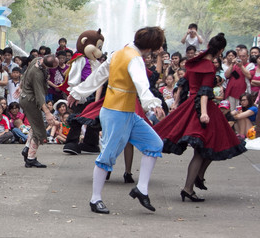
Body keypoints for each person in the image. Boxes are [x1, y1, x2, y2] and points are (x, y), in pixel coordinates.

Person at [68, 26, 167, 214]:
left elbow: (99, 75)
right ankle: (95, 199)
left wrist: (78, 91)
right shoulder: (134, 58)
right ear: (150, 48)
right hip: (116, 113)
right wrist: (152, 103)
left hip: (126, 113)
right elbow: (141, 83)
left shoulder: (119, 53)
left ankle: (142, 189)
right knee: (107, 157)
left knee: (154, 144)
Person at [154, 33, 246, 203]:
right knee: (206, 148)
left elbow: (182, 83)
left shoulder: (195, 63)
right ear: (221, 50)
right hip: (203, 107)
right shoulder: (209, 66)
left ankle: (197, 178)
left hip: (191, 104)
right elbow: (204, 93)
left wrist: (175, 103)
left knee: (212, 144)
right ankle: (189, 187)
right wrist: (203, 113)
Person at [19, 55, 59, 168]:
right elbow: (39, 96)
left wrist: (20, 87)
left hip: (24, 97)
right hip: (30, 101)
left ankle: (27, 148)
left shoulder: (37, 60)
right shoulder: (38, 74)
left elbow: (25, 74)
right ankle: (30, 159)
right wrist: (47, 112)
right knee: (39, 131)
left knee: (34, 125)